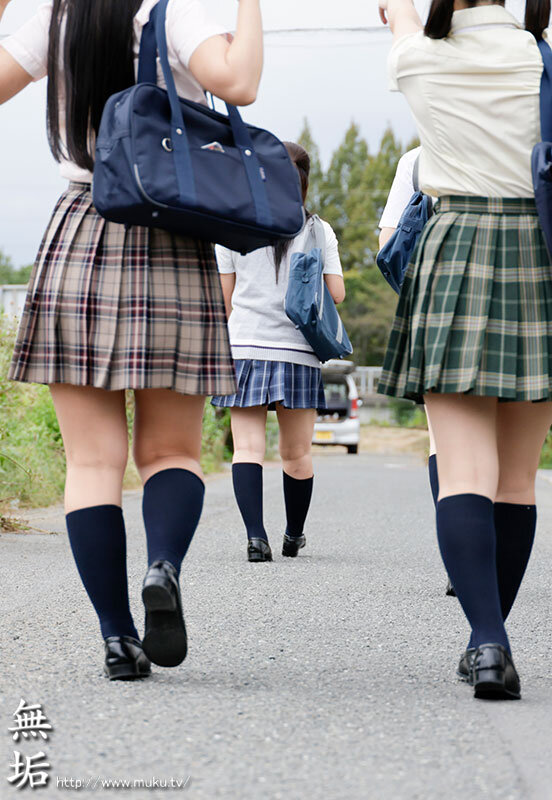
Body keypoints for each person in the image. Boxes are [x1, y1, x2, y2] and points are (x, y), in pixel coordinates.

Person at [0, 0, 263, 680]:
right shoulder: (171, 15)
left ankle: (117, 639)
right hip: (169, 232)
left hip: (79, 233)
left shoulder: (57, 17)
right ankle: (162, 567)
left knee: (92, 463)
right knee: (170, 451)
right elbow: (239, 83)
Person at [377, 0, 552, 699]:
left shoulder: (417, 58)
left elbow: (398, 17)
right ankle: (490, 637)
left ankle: (488, 641)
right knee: (517, 480)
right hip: (540, 255)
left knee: (463, 471)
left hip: (456, 254)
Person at [212, 142, 345, 563]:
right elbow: (336, 294)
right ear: (304, 180)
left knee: (247, 449)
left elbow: (224, 300)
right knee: (297, 453)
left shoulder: (233, 225)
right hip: (298, 351)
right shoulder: (318, 230)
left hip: (245, 347)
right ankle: (293, 535)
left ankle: (256, 538)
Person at [379, 146, 457, 595]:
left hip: (438, 310)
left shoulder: (419, 159)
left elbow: (389, 243)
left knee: (443, 439)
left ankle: (459, 559)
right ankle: (500, 558)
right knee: (510, 453)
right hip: (521, 301)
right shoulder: (530, 140)